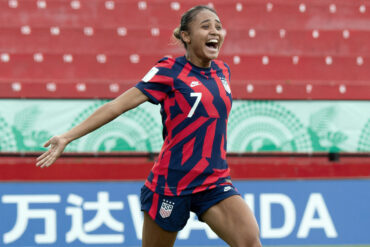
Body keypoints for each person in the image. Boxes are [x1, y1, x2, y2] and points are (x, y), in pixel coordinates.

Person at [36, 5, 262, 247]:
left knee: (250, 242)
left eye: (218, 26)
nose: (214, 31)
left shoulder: (222, 71)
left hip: (214, 180)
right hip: (171, 184)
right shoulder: (169, 70)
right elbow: (117, 106)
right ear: (186, 35)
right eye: (205, 26)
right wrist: (67, 137)